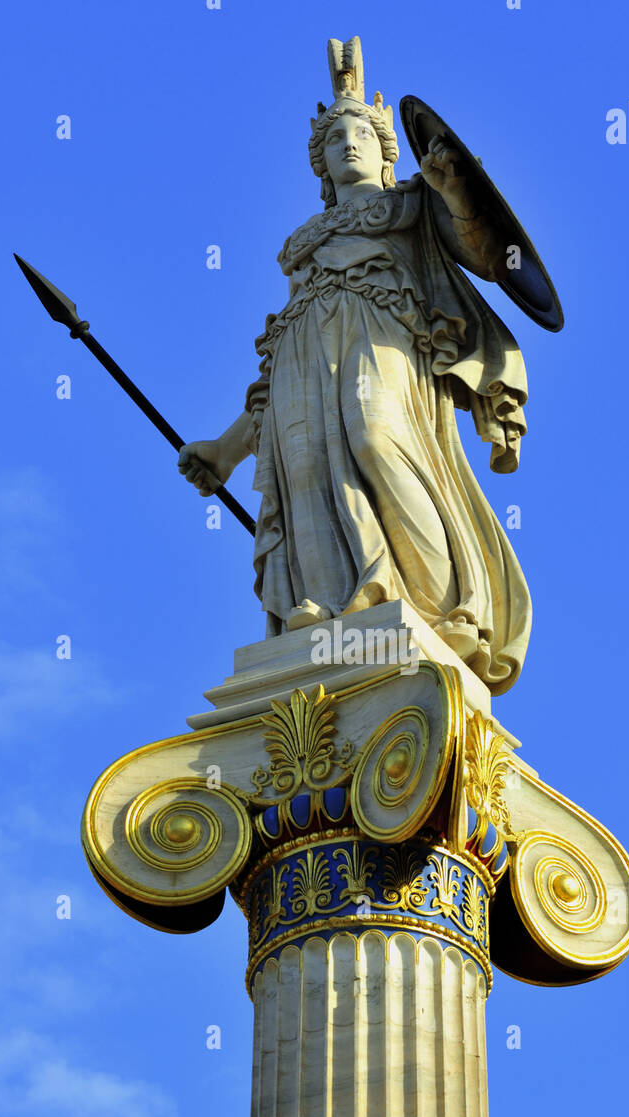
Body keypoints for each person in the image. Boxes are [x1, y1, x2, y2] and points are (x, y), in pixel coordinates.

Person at [179, 39, 532, 695]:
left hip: (382, 335)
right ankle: (327, 606)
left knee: (375, 437)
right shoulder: (303, 249)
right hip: (305, 350)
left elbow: (486, 252)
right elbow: (269, 367)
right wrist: (226, 451)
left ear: (384, 148)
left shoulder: (411, 205)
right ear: (319, 164)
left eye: (360, 134)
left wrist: (453, 186)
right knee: (303, 461)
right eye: (334, 137)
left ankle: (442, 603)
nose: (347, 144)